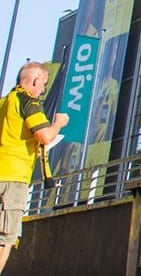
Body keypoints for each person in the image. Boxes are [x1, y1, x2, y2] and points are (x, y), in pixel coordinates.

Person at [0, 62, 67, 272]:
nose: (42, 91)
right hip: (13, 178)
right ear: (35, 81)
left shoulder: (4, 102)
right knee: (5, 238)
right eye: (43, 85)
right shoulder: (27, 100)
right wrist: (58, 124)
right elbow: (44, 136)